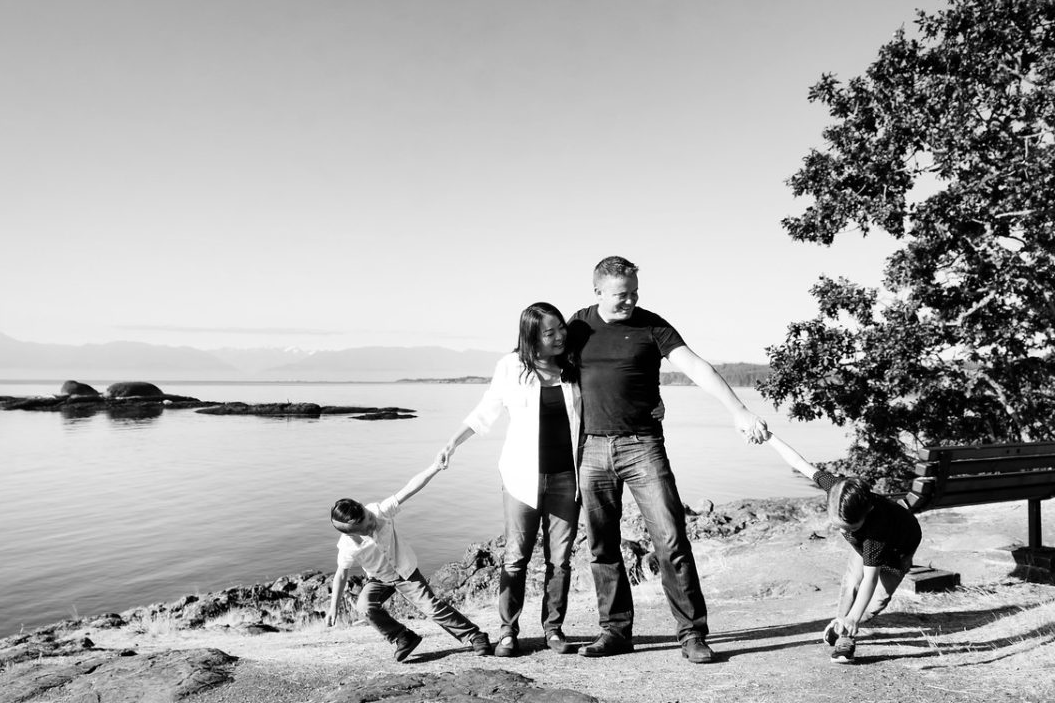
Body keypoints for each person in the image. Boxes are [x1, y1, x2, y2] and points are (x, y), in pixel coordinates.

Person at [567, 255, 770, 663]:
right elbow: (558, 376)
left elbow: (696, 367)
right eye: (622, 295)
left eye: (635, 292)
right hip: (591, 447)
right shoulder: (578, 326)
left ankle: (692, 634)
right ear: (598, 292)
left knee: (671, 539)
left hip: (642, 445)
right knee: (602, 546)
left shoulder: (652, 325)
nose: (630, 301)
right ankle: (615, 631)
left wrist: (739, 411)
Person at [438, 302, 582, 658]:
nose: (560, 336)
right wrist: (452, 444)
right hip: (521, 477)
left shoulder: (575, 366)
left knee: (560, 560)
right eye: (550, 333)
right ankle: (508, 632)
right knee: (515, 558)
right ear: (532, 337)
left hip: (568, 477)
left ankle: (553, 630)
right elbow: (486, 410)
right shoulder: (511, 366)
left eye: (560, 328)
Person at [763, 434, 922, 664]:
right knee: (850, 584)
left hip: (899, 549)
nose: (841, 530)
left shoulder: (875, 532)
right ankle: (843, 636)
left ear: (865, 514)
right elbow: (798, 462)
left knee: (876, 601)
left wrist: (855, 617)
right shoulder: (836, 488)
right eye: (837, 525)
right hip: (867, 547)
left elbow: (871, 579)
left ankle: (849, 623)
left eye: (848, 527)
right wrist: (768, 437)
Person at [326, 460, 492, 662]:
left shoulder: (380, 511)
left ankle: (475, 636)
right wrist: (333, 607)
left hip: (406, 573)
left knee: (432, 608)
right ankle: (403, 637)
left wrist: (435, 467)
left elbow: (410, 488)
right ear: (352, 532)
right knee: (364, 607)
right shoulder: (347, 546)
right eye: (367, 526)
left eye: (370, 517)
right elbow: (341, 574)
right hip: (379, 579)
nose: (373, 523)